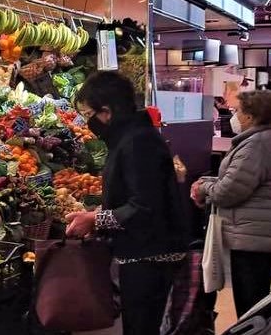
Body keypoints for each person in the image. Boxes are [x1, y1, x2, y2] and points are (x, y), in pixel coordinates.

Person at [65, 71, 189, 335]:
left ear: (106, 112)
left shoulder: (138, 142)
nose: (88, 123)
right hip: (143, 254)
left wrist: (95, 219)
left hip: (151, 257)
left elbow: (144, 206)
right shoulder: (131, 137)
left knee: (141, 326)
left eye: (88, 115)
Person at [191, 90, 271, 318]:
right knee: (257, 298)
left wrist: (204, 188)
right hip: (263, 232)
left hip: (253, 235)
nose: (234, 115)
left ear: (251, 117)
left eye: (238, 111)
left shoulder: (255, 146)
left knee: (250, 302)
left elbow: (229, 192)